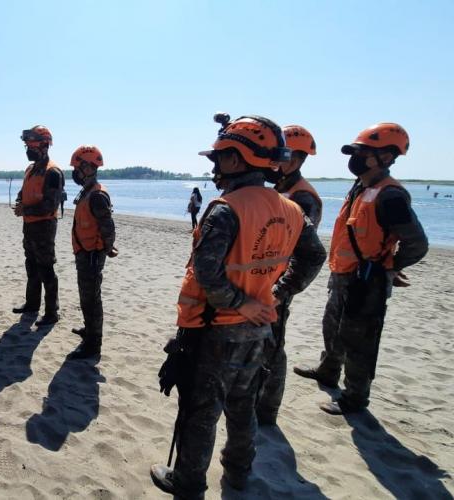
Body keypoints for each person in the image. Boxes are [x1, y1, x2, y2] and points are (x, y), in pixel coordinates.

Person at [151, 115, 326, 498]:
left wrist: (243, 303)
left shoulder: (225, 209)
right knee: (244, 404)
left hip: (215, 330)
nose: (213, 167)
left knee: (201, 411)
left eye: (218, 158)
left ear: (236, 160)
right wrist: (277, 293)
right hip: (259, 330)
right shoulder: (290, 209)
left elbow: (207, 273)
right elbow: (314, 257)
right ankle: (239, 473)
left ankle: (188, 482)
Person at [293, 123, 428, 415]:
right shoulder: (362, 187)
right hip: (343, 274)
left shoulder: (390, 195)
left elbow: (416, 243)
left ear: (388, 157)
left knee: (359, 340)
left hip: (367, 281)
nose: (356, 158)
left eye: (364, 153)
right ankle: (328, 370)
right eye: (357, 152)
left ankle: (355, 397)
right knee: (333, 327)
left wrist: (388, 266)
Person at [256, 124, 323, 426]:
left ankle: (268, 410)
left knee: (273, 346)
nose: (274, 161)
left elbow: (306, 252)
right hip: (267, 280)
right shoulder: (282, 190)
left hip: (277, 285)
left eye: (279, 155)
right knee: (263, 343)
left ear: (295, 159)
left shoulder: (302, 197)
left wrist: (282, 290)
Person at [12, 125, 64, 326]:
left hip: (44, 226)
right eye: (27, 145)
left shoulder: (53, 172)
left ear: (44, 145)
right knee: (31, 266)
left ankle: (52, 312)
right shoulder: (31, 169)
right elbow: (23, 192)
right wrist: (20, 203)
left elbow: (50, 205)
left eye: (31, 145)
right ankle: (32, 304)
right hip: (30, 226)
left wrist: (25, 210)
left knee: (46, 268)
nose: (28, 149)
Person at [69, 145, 117, 359]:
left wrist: (107, 247)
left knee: (91, 299)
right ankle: (89, 331)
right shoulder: (88, 191)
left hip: (91, 255)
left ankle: (93, 344)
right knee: (85, 296)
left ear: (89, 168)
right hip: (84, 252)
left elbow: (107, 225)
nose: (75, 172)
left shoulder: (97, 195)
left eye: (78, 167)